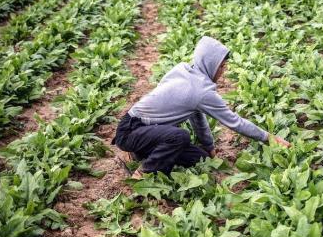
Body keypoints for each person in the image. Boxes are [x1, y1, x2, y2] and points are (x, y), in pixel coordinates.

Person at [113, 36, 291, 179]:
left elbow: (196, 116)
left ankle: (141, 152)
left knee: (200, 158)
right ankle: (143, 173)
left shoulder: (183, 69)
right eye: (221, 66)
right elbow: (235, 123)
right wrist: (269, 138)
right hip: (130, 130)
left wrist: (209, 147)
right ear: (210, 64)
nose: (223, 71)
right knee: (179, 136)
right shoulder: (202, 91)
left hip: (146, 130)